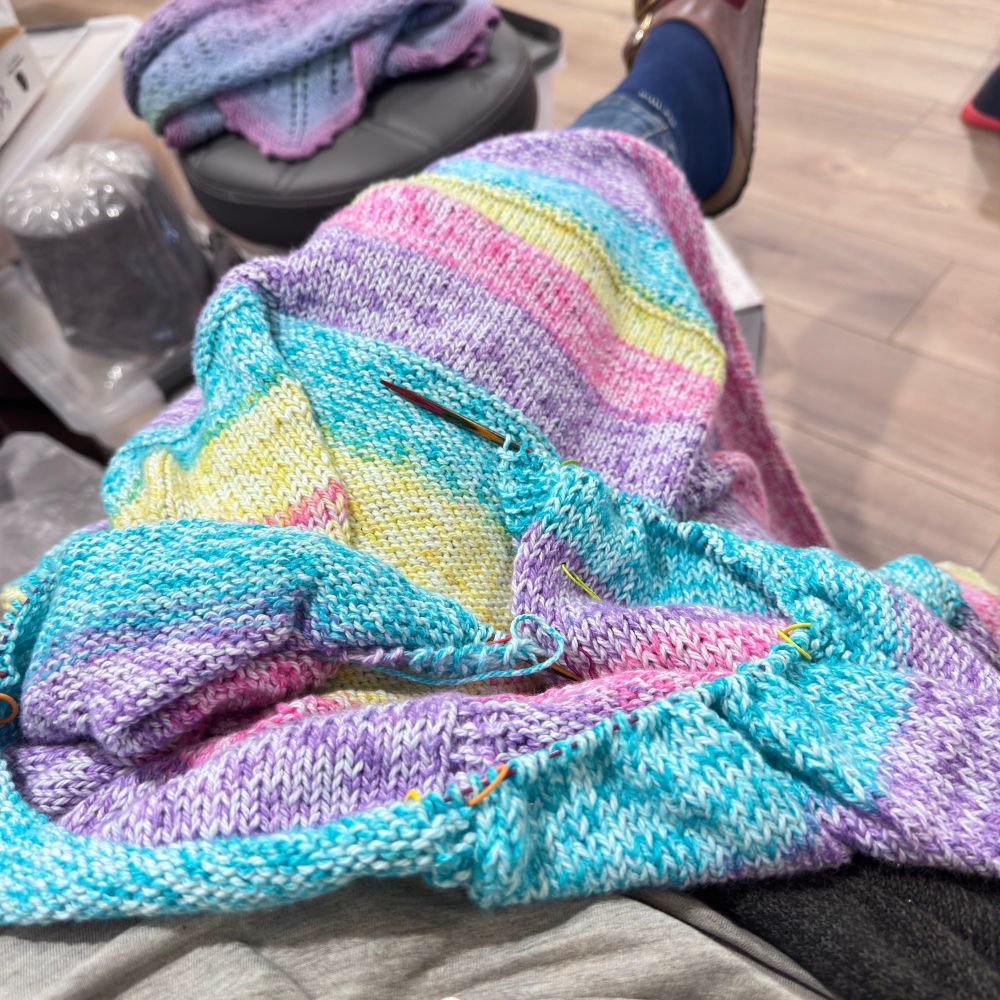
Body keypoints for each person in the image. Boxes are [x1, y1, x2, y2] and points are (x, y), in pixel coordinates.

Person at [2, 19, 999, 1000]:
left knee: (400, 261)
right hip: (411, 735)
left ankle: (662, 108)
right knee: (486, 244)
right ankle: (672, 95)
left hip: (159, 613)